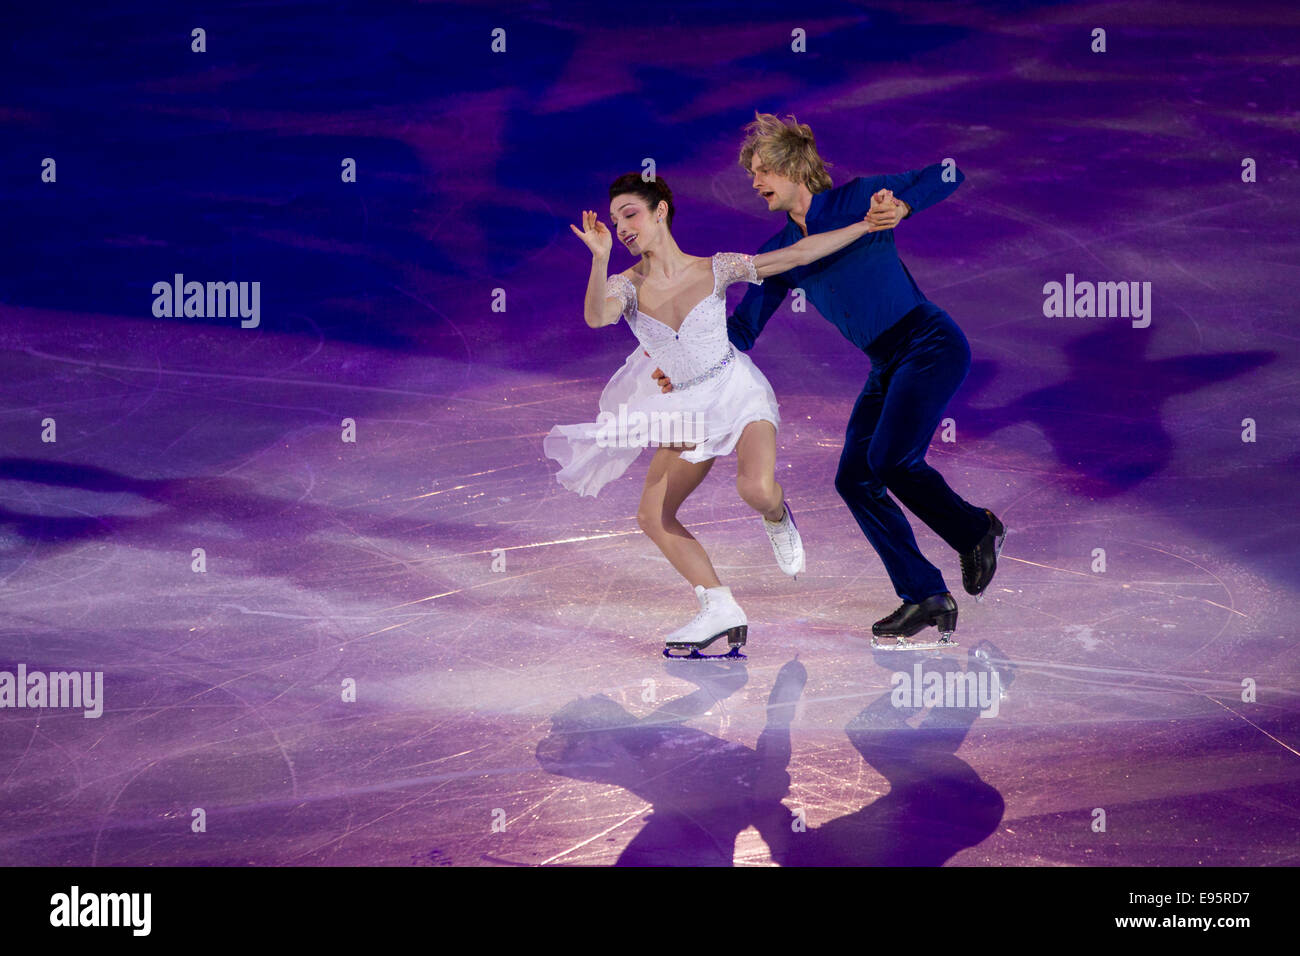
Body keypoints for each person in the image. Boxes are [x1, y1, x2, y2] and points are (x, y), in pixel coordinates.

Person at [652, 114, 1006, 650]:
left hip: (928, 343)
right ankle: (924, 593)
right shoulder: (782, 250)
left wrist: (903, 206)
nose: (754, 183)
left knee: (890, 460)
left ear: (796, 167)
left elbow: (949, 173)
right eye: (751, 174)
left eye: (763, 170)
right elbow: (743, 330)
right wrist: (684, 359)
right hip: (886, 362)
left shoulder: (860, 199)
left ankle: (975, 530)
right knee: (854, 479)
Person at [546, 172, 887, 658]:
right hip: (685, 406)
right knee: (652, 515)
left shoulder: (716, 268)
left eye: (630, 214)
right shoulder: (625, 286)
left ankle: (776, 514)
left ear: (660, 210)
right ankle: (718, 605)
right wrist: (599, 259)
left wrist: (864, 227)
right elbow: (597, 316)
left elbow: (796, 255)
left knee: (755, 489)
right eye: (616, 219)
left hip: (736, 392)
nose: (622, 227)